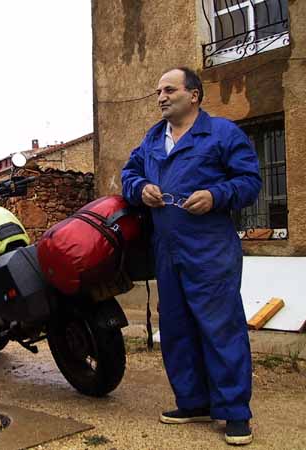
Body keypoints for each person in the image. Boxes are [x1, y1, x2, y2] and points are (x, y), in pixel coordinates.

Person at [121, 67, 262, 446]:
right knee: (178, 329)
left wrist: (217, 195)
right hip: (166, 248)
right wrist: (141, 188)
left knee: (220, 327)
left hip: (209, 247)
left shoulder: (221, 134)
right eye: (158, 92)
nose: (161, 97)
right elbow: (129, 174)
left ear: (194, 95)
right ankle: (193, 401)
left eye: (169, 90)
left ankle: (234, 411)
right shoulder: (153, 139)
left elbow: (250, 182)